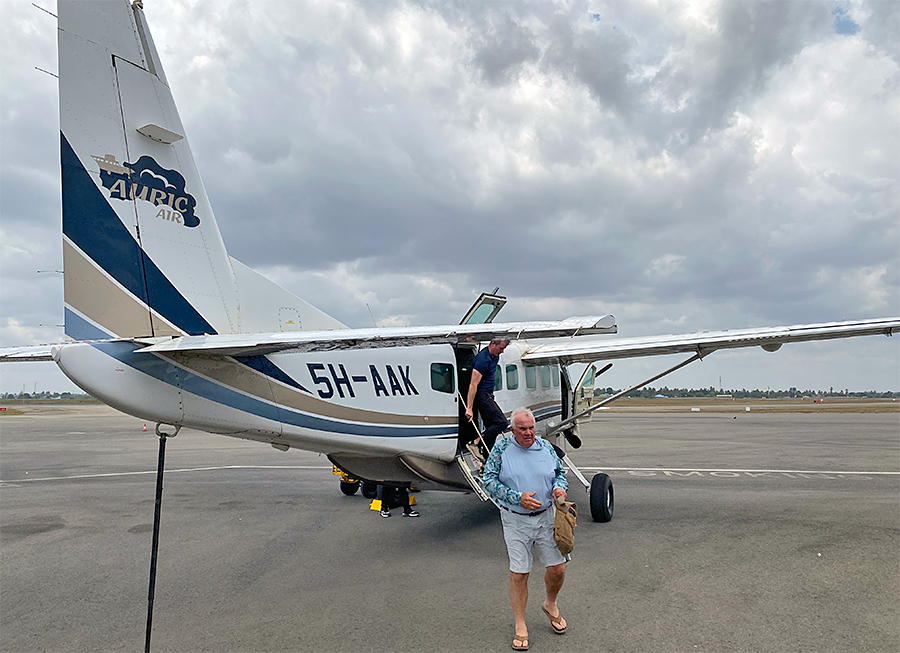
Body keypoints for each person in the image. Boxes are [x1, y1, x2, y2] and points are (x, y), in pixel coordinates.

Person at [482, 407, 569, 651]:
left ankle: (550, 603)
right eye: (523, 429)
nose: (529, 433)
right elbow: (488, 480)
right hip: (516, 519)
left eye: (531, 428)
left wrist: (560, 488)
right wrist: (516, 497)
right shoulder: (501, 449)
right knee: (520, 573)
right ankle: (520, 623)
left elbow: (560, 474)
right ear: (512, 430)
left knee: (558, 569)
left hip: (547, 516)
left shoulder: (545, 447)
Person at [464, 339, 510, 457]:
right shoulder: (482, 360)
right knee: (501, 423)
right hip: (482, 395)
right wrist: (469, 408)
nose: (502, 351)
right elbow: (473, 384)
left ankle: (486, 461)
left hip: (488, 394)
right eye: (501, 348)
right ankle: (476, 442)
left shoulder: (495, 356)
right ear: (493, 344)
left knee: (492, 429)